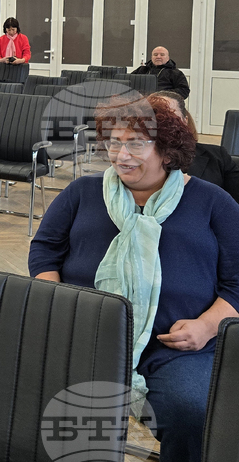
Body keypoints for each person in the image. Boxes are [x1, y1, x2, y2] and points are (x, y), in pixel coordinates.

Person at [28, 95, 239, 461]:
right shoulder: (82, 193)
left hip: (174, 349)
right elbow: (45, 250)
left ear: (167, 151)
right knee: (29, 398)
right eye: (114, 142)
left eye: (136, 144)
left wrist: (206, 327)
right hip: (84, 336)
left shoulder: (213, 203)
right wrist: (56, 303)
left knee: (194, 412)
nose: (121, 155)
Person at [151, 91, 238, 203]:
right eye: (155, 117)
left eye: (171, 118)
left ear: (185, 121)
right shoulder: (131, 161)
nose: (164, 124)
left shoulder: (217, 157)